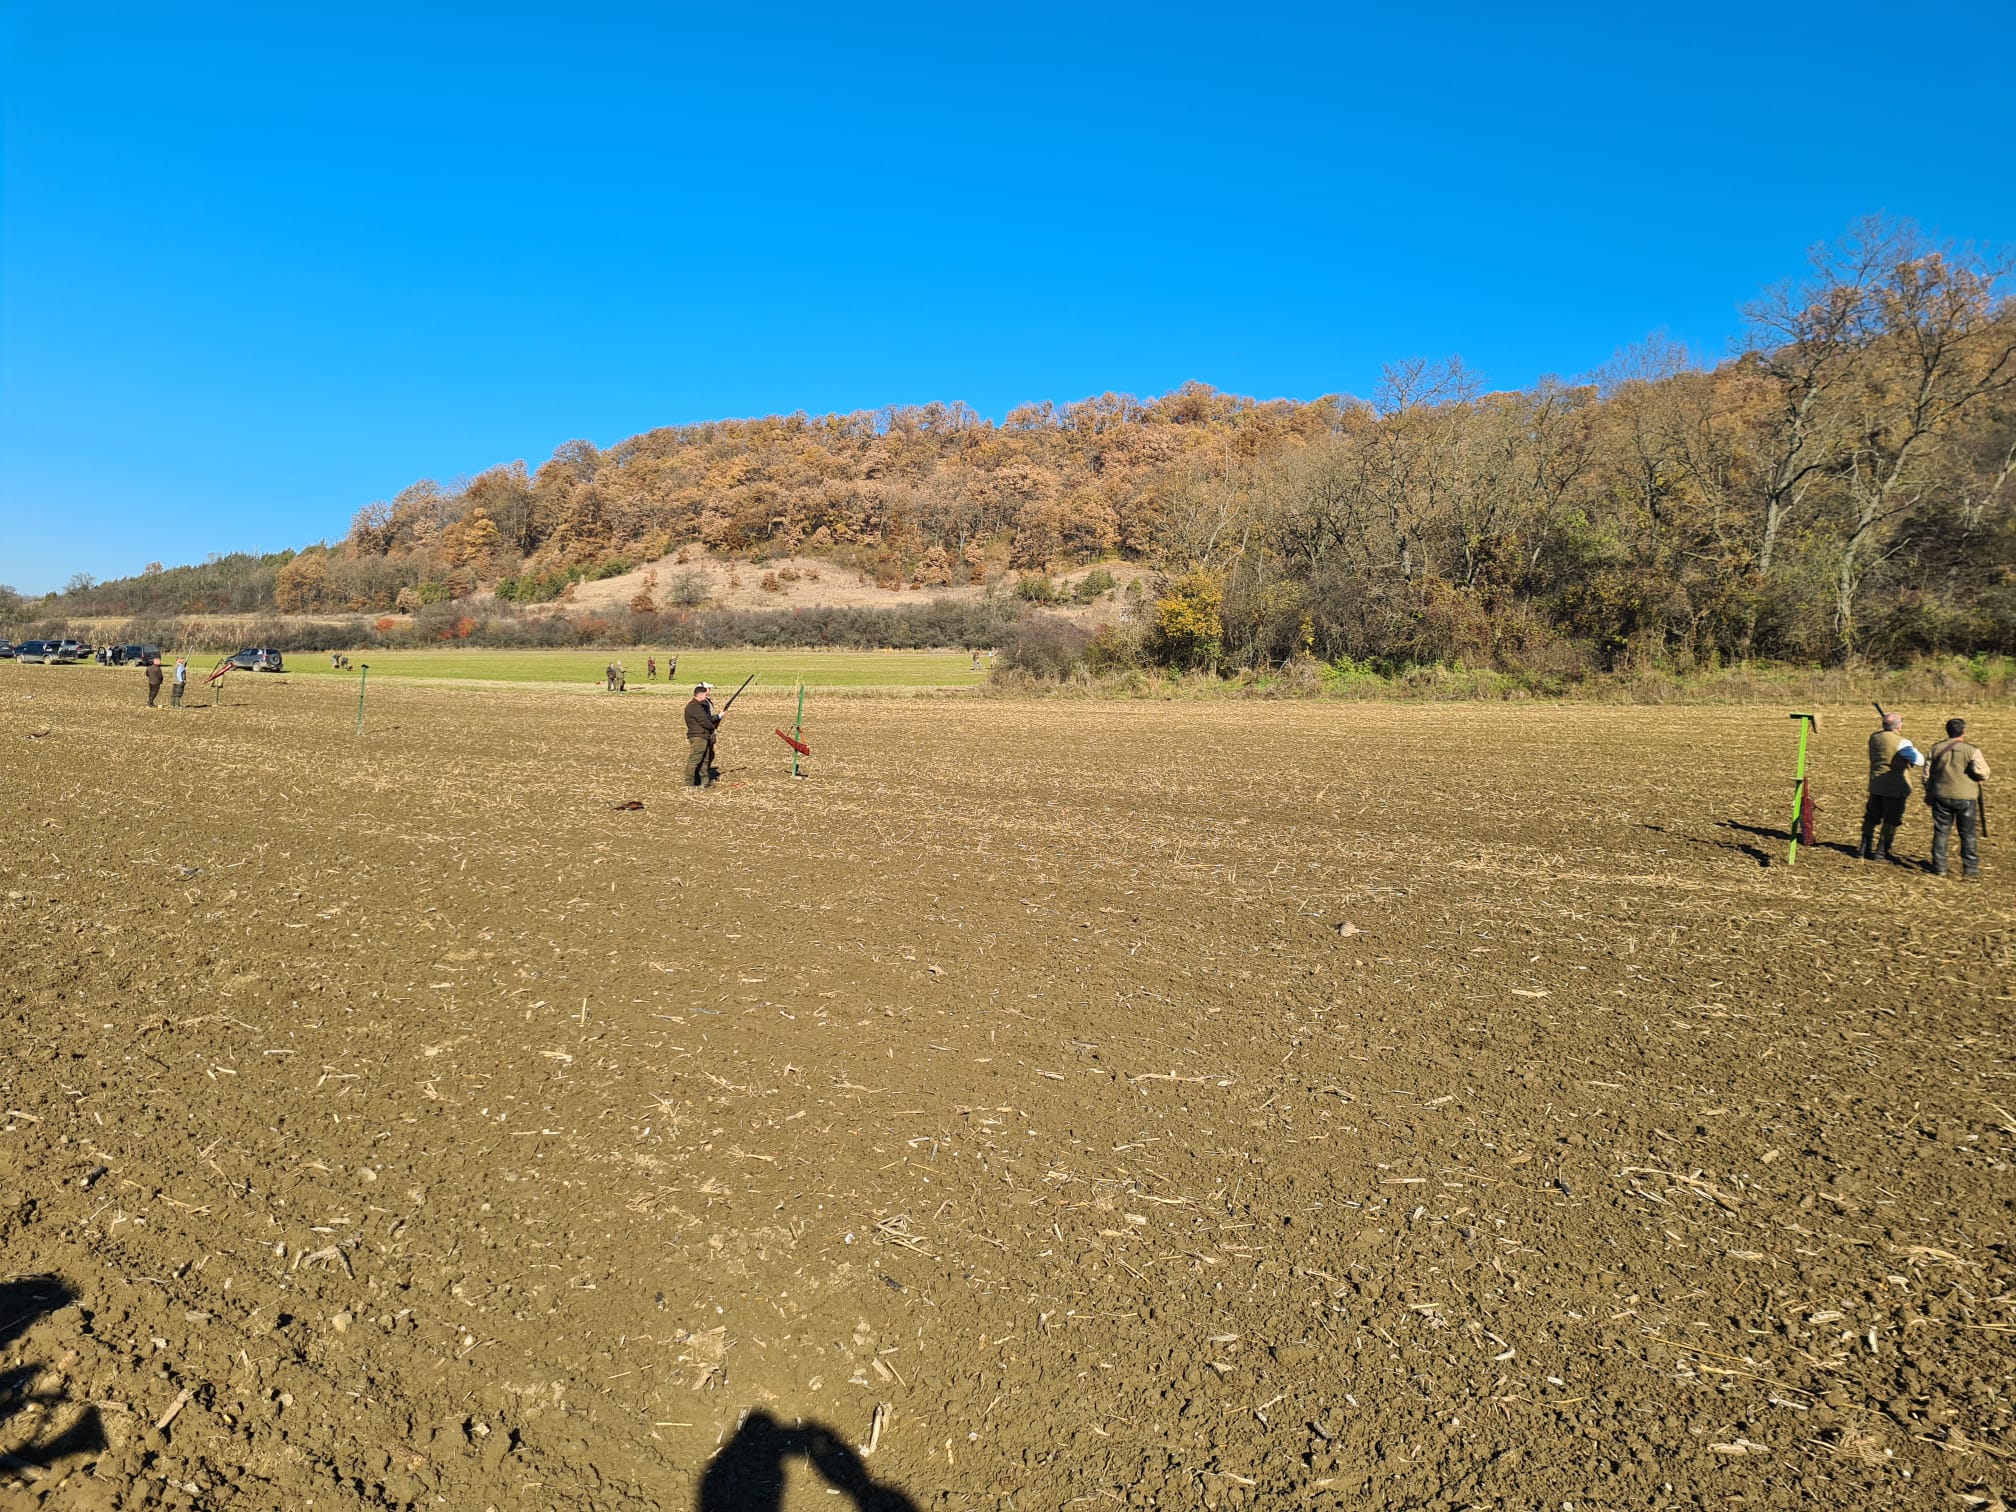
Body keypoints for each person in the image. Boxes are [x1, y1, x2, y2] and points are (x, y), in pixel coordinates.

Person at [1924, 717, 1991, 878]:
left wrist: (1929, 791)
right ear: (1963, 731)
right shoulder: (1971, 750)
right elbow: (1983, 773)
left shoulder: (1935, 748)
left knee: (1941, 832)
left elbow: (1927, 775)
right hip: (1966, 797)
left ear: (1947, 731)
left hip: (1941, 795)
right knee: (1968, 834)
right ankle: (1970, 868)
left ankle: (1939, 866)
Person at [1860, 711, 1922, 862]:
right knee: (1891, 819)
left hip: (1876, 784)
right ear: (1899, 726)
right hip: (1895, 787)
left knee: (1871, 817)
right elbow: (1919, 760)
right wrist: (1911, 747)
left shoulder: (1874, 737)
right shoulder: (1902, 742)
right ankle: (1881, 852)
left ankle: (1864, 848)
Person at [682, 681, 723, 788]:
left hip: (703, 736)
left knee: (705, 760)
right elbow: (704, 722)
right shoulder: (695, 707)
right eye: (705, 695)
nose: (706, 697)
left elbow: (707, 718)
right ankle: (689, 783)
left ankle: (705, 782)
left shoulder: (699, 706)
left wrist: (718, 716)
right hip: (698, 737)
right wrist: (713, 727)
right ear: (700, 695)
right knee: (695, 760)